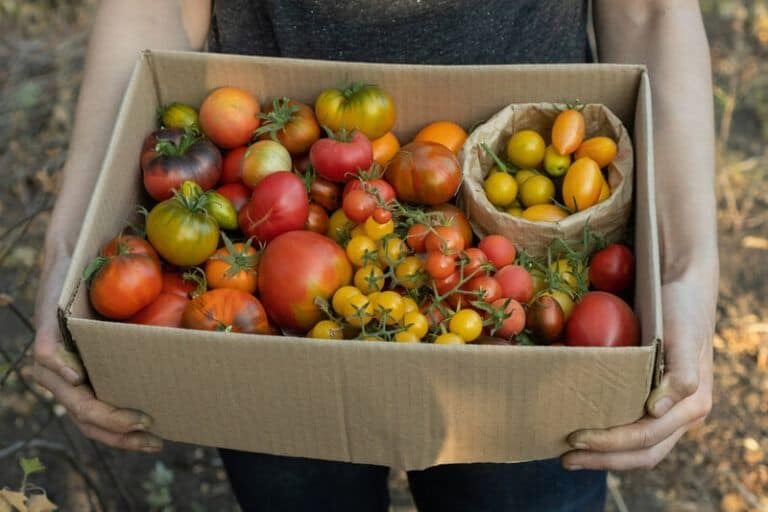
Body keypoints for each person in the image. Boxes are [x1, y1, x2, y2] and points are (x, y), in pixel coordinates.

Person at [32, 0, 717, 510]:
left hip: (525, 338)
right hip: (272, 304)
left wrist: (688, 271)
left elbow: (652, 10)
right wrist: (68, 254)